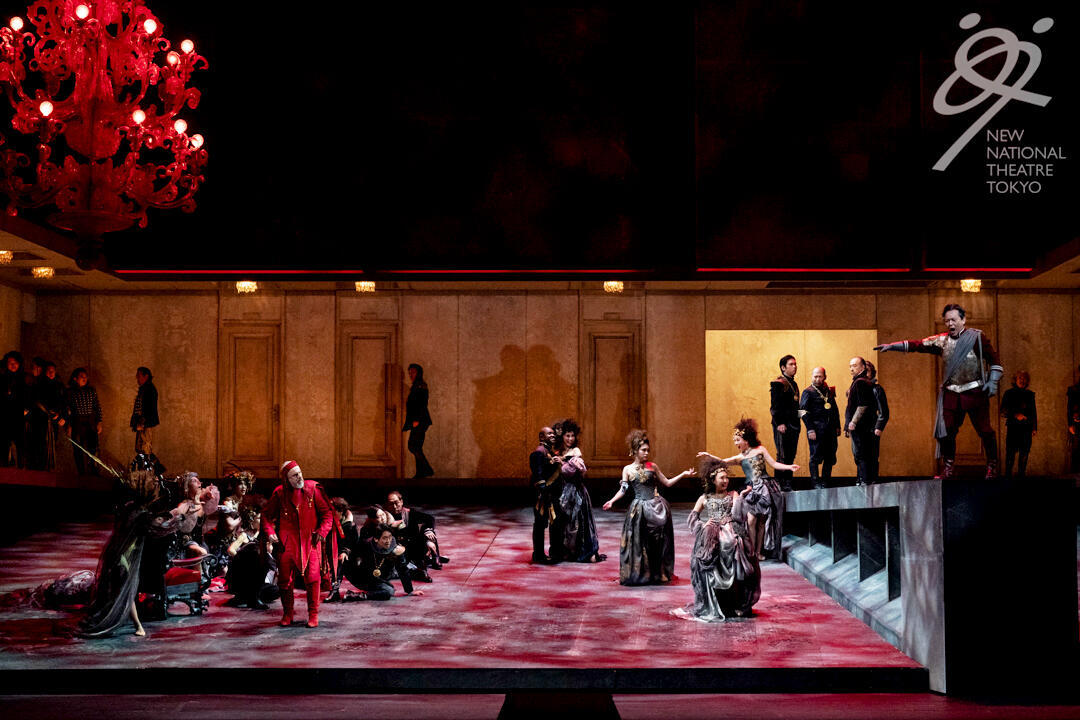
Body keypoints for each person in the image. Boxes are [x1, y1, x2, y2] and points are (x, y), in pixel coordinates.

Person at [875, 303, 1003, 478]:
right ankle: (948, 467)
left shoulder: (976, 338)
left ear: (963, 320)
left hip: (974, 392)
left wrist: (993, 381)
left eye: (954, 320)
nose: (950, 324)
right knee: (946, 431)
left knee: (985, 431)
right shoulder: (942, 341)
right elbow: (918, 345)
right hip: (951, 394)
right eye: (947, 321)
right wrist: (892, 346)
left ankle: (992, 465)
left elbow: (994, 360)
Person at [672, 458, 759, 622]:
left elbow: (739, 515)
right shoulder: (704, 497)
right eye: (722, 478)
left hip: (730, 530)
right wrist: (703, 525)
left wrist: (741, 497)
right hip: (712, 534)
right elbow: (693, 517)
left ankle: (735, 604)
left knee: (736, 549)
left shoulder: (733, 495)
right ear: (713, 480)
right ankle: (716, 603)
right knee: (709, 560)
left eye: (727, 477)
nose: (725, 481)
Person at [603, 429, 694, 585]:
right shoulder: (627, 469)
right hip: (639, 509)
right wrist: (612, 501)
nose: (646, 453)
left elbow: (667, 483)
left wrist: (683, 474)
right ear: (635, 450)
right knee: (640, 542)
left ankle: (658, 572)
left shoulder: (652, 466)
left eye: (648, 450)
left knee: (657, 541)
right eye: (643, 450)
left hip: (656, 506)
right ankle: (642, 573)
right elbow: (623, 490)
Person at [699, 418, 796, 561]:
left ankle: (758, 552)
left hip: (764, 488)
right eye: (735, 441)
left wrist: (789, 467)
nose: (736, 443)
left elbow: (774, 464)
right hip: (751, 490)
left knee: (762, 522)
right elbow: (722, 461)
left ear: (746, 440)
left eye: (738, 440)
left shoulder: (760, 450)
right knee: (751, 520)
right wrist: (710, 456)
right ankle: (751, 551)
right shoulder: (740, 457)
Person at [261, 460, 333, 628]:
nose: (299, 477)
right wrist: (270, 532)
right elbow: (266, 516)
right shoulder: (279, 493)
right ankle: (288, 614)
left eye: (300, 473)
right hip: (287, 543)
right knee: (285, 580)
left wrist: (322, 531)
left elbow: (327, 514)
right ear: (286, 479)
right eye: (294, 475)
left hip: (310, 541)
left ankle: (313, 614)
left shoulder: (313, 489)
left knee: (313, 578)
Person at [553, 419, 604, 563]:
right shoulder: (560, 451)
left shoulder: (575, 452)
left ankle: (585, 551)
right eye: (567, 436)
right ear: (562, 436)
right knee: (567, 523)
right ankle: (570, 551)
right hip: (564, 491)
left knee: (579, 521)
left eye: (572, 436)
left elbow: (574, 471)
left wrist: (562, 463)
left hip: (576, 492)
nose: (570, 439)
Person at [344, 525, 425, 601]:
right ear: (376, 539)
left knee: (389, 591)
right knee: (389, 589)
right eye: (385, 538)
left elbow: (402, 569)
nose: (388, 541)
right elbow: (352, 563)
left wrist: (410, 591)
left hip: (380, 577)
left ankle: (359, 595)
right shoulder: (365, 545)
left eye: (390, 537)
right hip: (361, 576)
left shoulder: (396, 549)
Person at [386, 490, 446, 578]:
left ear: (401, 502)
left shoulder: (410, 513)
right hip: (399, 549)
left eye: (396, 503)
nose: (394, 506)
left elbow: (429, 518)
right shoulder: (385, 516)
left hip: (415, 546)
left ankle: (435, 556)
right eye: (391, 504)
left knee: (428, 531)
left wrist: (428, 532)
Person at [800, 366, 841, 488]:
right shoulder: (807, 392)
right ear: (812, 377)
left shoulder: (829, 391)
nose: (817, 379)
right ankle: (815, 482)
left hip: (830, 430)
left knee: (830, 456)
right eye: (815, 376)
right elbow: (801, 412)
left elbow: (834, 410)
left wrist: (837, 426)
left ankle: (825, 481)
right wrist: (810, 429)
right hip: (816, 430)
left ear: (825, 377)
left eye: (820, 376)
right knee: (815, 457)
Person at [529, 425, 562, 564]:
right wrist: (543, 493)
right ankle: (538, 555)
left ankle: (554, 553)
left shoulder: (549, 451)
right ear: (541, 437)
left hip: (551, 494)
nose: (553, 435)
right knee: (540, 524)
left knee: (554, 523)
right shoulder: (539, 452)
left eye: (553, 433)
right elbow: (538, 475)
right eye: (549, 434)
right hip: (543, 496)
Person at [845, 357, 879, 486]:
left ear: (862, 367)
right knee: (861, 455)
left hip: (861, 427)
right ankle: (863, 480)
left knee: (862, 454)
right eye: (850, 366)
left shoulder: (861, 382)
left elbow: (862, 405)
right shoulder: (859, 382)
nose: (851, 369)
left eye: (854, 365)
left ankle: (865, 480)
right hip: (860, 426)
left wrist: (853, 422)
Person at [769, 355, 800, 491]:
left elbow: (796, 407)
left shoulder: (794, 383)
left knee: (791, 455)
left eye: (795, 364)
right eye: (791, 364)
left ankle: (788, 482)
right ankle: (779, 484)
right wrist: (780, 423)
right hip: (782, 426)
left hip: (794, 425)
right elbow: (774, 407)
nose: (795, 367)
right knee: (782, 455)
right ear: (783, 367)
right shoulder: (778, 383)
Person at [66, 368, 103, 476]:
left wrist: (99, 422)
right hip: (77, 423)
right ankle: (82, 474)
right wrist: (69, 424)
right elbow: (68, 410)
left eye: (86, 376)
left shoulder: (91, 390)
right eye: (82, 376)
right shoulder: (70, 392)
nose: (84, 378)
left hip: (90, 423)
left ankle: (94, 472)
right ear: (75, 378)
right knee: (78, 449)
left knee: (93, 448)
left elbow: (97, 407)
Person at [1000, 371, 1037, 478]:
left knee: (1024, 453)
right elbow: (1003, 411)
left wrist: (1034, 427)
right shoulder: (1008, 393)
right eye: (1020, 377)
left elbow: (1033, 412)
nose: (1022, 380)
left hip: (1026, 427)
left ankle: (1021, 477)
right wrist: (1015, 414)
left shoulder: (1030, 394)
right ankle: (1007, 478)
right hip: (1013, 427)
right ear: (1015, 380)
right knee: (1010, 453)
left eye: (1024, 378)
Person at [402, 363, 434, 478]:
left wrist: (416, 419)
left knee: (413, 446)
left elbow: (421, 404)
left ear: (419, 373)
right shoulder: (416, 385)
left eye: (413, 372)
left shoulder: (420, 386)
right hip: (419, 420)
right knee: (416, 447)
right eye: (409, 372)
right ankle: (420, 473)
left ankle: (427, 469)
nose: (411, 374)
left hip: (420, 421)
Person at [0, 350, 27, 467]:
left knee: (21, 446)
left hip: (19, 417)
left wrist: (26, 410)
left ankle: (22, 470)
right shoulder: (1, 379)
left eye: (15, 362)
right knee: (3, 446)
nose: (13, 365)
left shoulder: (24, 379)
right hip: (4, 417)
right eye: (10, 362)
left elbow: (29, 397)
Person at [130, 367, 159, 456]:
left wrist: (143, 424)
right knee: (140, 449)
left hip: (145, 425)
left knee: (145, 449)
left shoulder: (150, 390)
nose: (137, 378)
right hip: (142, 424)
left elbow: (150, 409)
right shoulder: (145, 389)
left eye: (139, 376)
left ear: (146, 376)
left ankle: (148, 464)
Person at [1068, 366, 1080, 474]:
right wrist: (1070, 424)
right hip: (1077, 425)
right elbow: (1069, 408)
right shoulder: (1074, 389)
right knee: (1076, 451)